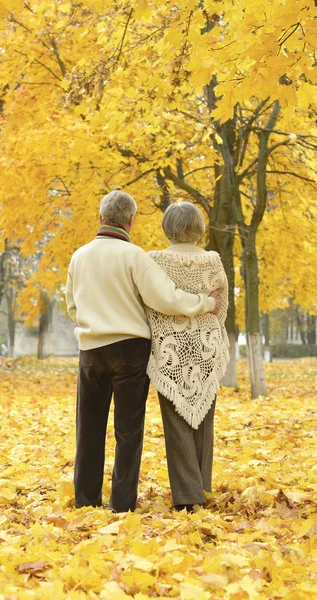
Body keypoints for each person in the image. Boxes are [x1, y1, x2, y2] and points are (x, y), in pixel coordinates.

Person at [65, 191, 221, 513]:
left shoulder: (79, 256)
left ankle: (85, 502)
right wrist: (207, 303)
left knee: (89, 429)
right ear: (131, 220)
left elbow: (71, 304)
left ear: (100, 218)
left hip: (91, 349)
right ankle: (122, 505)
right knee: (128, 431)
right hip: (130, 351)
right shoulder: (135, 256)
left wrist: (93, 321)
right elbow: (166, 299)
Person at [145, 202, 229, 512]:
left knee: (176, 422)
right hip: (205, 347)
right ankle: (201, 490)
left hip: (170, 351)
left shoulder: (154, 261)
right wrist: (208, 333)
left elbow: (151, 302)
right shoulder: (212, 261)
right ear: (199, 228)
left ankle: (186, 495)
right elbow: (222, 306)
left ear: (167, 227)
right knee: (204, 420)